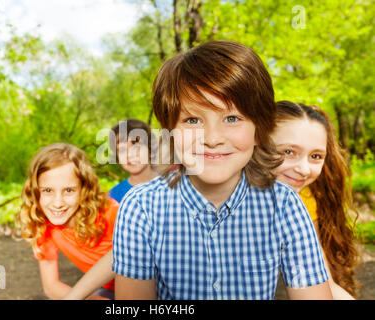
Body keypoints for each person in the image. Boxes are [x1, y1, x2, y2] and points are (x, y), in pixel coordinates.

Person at [112, 39, 332, 300]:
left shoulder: (284, 205)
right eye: (192, 120)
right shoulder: (140, 207)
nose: (212, 138)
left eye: (232, 118)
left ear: (258, 131)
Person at [272, 100, 361, 299]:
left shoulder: (301, 200)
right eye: (288, 152)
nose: (303, 170)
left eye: (315, 156)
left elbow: (322, 284)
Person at [16, 143, 117, 300]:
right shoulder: (43, 225)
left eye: (68, 190)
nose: (58, 203)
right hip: (104, 292)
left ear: (84, 189)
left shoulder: (112, 213)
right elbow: (51, 287)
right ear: (36, 191)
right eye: (48, 191)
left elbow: (126, 255)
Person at [108, 118, 157, 203]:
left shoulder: (174, 185)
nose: (129, 155)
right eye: (122, 150)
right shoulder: (114, 196)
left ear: (151, 151)